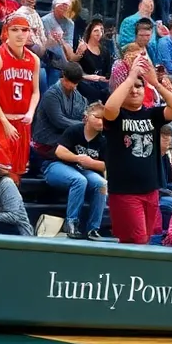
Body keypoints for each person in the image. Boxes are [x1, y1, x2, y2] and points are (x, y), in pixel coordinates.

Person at [102, 56, 172, 245]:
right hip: (124, 192)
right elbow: (109, 108)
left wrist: (155, 83)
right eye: (130, 87)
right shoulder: (117, 116)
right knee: (136, 241)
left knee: (145, 241)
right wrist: (131, 78)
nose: (134, 90)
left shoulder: (152, 114)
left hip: (150, 190)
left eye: (139, 86)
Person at [0, 16, 41, 181]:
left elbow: (36, 92)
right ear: (6, 32)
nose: (20, 34)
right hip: (0, 121)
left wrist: (30, 112)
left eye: (24, 30)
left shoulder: (34, 59)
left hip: (22, 122)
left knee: (16, 175)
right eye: (15, 30)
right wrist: (5, 122)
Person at [47, 102, 107, 240]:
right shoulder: (74, 130)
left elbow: (106, 166)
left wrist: (91, 163)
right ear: (86, 117)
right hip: (57, 166)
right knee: (79, 180)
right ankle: (71, 223)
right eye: (97, 117)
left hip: (84, 170)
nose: (100, 122)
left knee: (102, 184)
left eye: (104, 119)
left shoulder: (104, 139)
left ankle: (93, 228)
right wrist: (78, 158)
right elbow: (60, 151)